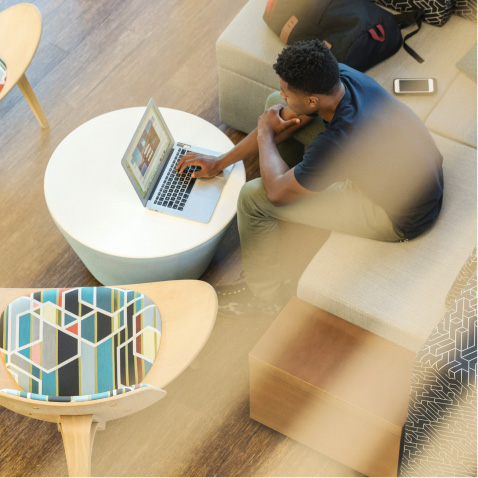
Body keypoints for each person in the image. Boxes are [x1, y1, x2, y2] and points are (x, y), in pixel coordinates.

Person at [177, 39, 444, 317]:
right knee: (273, 107)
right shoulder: (339, 76)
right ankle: (296, 180)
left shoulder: (340, 139)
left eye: (286, 92)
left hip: (398, 215)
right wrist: (220, 162)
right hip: (417, 173)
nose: (283, 95)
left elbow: (275, 194)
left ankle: (265, 296)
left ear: (313, 100)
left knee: (253, 198)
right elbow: (287, 113)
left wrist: (266, 134)